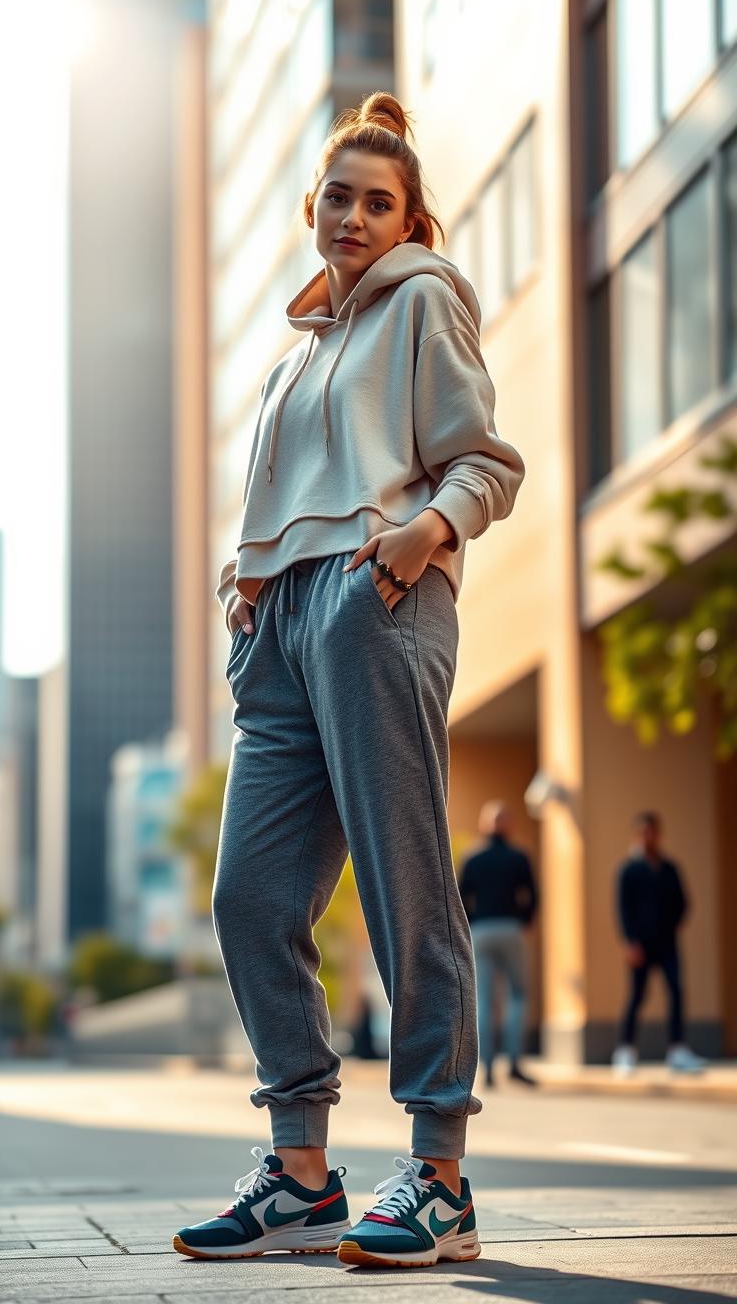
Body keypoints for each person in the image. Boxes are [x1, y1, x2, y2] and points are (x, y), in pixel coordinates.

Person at [173, 92, 525, 1269]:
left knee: (401, 884)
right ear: (311, 209)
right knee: (251, 899)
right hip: (278, 630)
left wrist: (422, 537)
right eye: (339, 197)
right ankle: (302, 1173)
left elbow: (484, 461)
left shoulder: (424, 299)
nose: (356, 217)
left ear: (409, 221)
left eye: (380, 203)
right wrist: (243, 581)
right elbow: (281, 497)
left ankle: (439, 1175)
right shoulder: (294, 359)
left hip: (376, 602)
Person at [612, 811, 705, 1075]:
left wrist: (674, 923)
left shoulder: (669, 868)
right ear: (637, 835)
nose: (648, 837)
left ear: (658, 834)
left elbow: (682, 902)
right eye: (643, 833)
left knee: (676, 991)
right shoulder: (629, 869)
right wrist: (630, 942)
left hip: (667, 943)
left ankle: (677, 1050)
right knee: (636, 996)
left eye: (652, 832)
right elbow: (623, 909)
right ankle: (625, 1050)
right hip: (640, 945)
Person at [458, 800, 538, 1088]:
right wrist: (523, 920)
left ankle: (488, 1067)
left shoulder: (473, 857)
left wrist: (472, 924)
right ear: (509, 825)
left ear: (483, 824)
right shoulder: (518, 857)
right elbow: (533, 895)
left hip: (481, 931)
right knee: (517, 995)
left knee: (484, 1000)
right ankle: (514, 1063)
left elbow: (460, 897)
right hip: (510, 928)